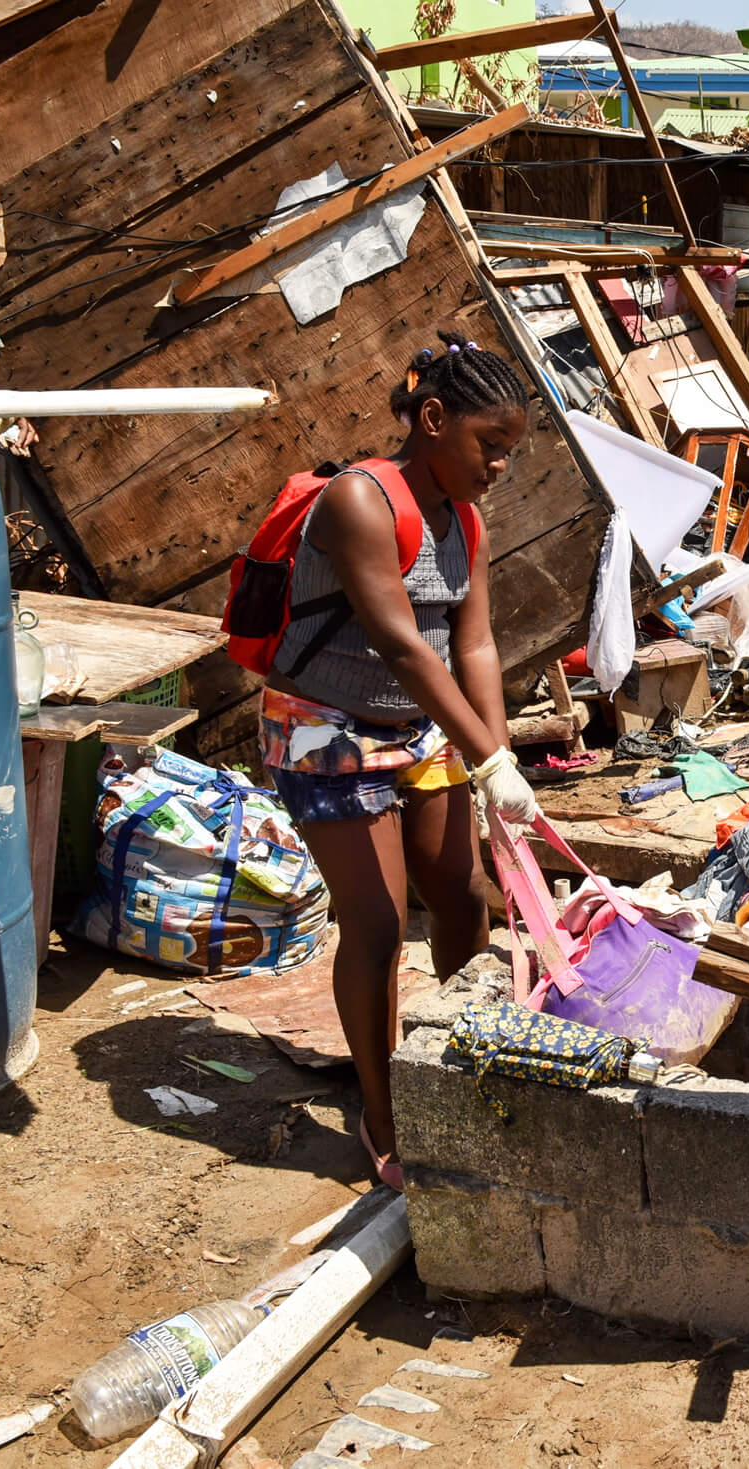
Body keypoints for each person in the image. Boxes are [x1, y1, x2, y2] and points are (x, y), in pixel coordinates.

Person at [259, 332, 544, 1190]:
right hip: (325, 731)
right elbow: (399, 644)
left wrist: (499, 763)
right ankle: (384, 1116)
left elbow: (476, 644)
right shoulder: (359, 502)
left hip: (415, 730)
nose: (499, 465)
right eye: (488, 446)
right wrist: (486, 759)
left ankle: (461, 1076)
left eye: (509, 452)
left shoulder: (466, 520)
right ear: (432, 420)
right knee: (379, 925)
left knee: (464, 899)